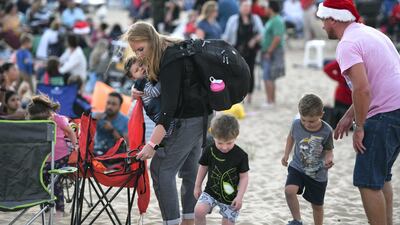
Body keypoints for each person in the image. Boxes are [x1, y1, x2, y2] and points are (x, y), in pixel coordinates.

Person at [316, 1, 400, 225]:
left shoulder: (347, 44)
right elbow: (375, 81)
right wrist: (350, 115)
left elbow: (362, 88)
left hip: (385, 114)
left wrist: (360, 126)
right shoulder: (370, 33)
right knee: (381, 178)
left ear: (333, 19)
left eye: (323, 20)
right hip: (396, 107)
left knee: (367, 181)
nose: (323, 26)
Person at [126, 21, 212, 225]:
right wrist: (138, 89)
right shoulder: (174, 48)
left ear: (151, 40)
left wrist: (152, 144)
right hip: (204, 115)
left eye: (140, 49)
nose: (138, 55)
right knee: (191, 170)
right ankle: (189, 221)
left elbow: (169, 108)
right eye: (135, 51)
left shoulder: (169, 59)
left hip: (187, 120)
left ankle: (173, 222)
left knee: (161, 169)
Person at [281, 94, 334, 225]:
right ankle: (297, 220)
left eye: (311, 121)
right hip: (297, 167)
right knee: (289, 191)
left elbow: (329, 150)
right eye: (303, 120)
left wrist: (329, 160)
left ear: (321, 114)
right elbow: (291, 137)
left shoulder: (327, 130)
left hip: (317, 174)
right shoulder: (296, 124)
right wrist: (286, 154)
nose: (306, 124)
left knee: (317, 205)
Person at [26, 94, 78, 217]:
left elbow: (70, 131)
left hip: (60, 156)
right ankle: (46, 210)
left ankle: (60, 210)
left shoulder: (58, 119)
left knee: (55, 182)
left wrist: (75, 145)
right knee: (42, 183)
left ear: (50, 112)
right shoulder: (33, 122)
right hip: (44, 158)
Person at [194, 114, 249, 225]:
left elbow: (244, 177)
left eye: (229, 143)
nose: (224, 147)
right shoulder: (209, 150)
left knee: (227, 223)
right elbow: (203, 167)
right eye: (219, 143)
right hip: (210, 192)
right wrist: (197, 186)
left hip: (230, 197)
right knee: (198, 211)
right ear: (213, 136)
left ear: (236, 136)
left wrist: (239, 197)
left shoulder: (241, 155)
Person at [223, 0, 263, 104]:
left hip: (251, 51)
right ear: (240, 7)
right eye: (244, 6)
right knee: (237, 72)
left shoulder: (255, 19)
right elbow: (226, 36)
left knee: (250, 72)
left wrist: (254, 40)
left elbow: (262, 33)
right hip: (236, 50)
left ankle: (250, 96)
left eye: (248, 6)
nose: (246, 8)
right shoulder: (233, 19)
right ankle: (239, 96)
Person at [124, 55, 175, 137]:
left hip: (159, 109)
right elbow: (154, 92)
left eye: (140, 65)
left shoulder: (147, 78)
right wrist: (164, 77)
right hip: (156, 111)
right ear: (133, 78)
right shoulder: (141, 83)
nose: (141, 69)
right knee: (166, 127)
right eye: (136, 70)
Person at [261, 0, 285, 108]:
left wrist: (269, 51)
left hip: (271, 52)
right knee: (270, 77)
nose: (265, 10)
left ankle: (270, 101)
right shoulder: (272, 20)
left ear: (271, 9)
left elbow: (277, 38)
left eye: (266, 8)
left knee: (268, 77)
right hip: (269, 51)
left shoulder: (276, 21)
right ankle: (271, 100)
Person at [93, 92, 128, 156]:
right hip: (97, 151)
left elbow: (125, 144)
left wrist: (112, 130)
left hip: (115, 155)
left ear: (120, 106)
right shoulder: (96, 116)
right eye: (108, 103)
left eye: (113, 104)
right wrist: (92, 121)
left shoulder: (125, 121)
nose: (109, 106)